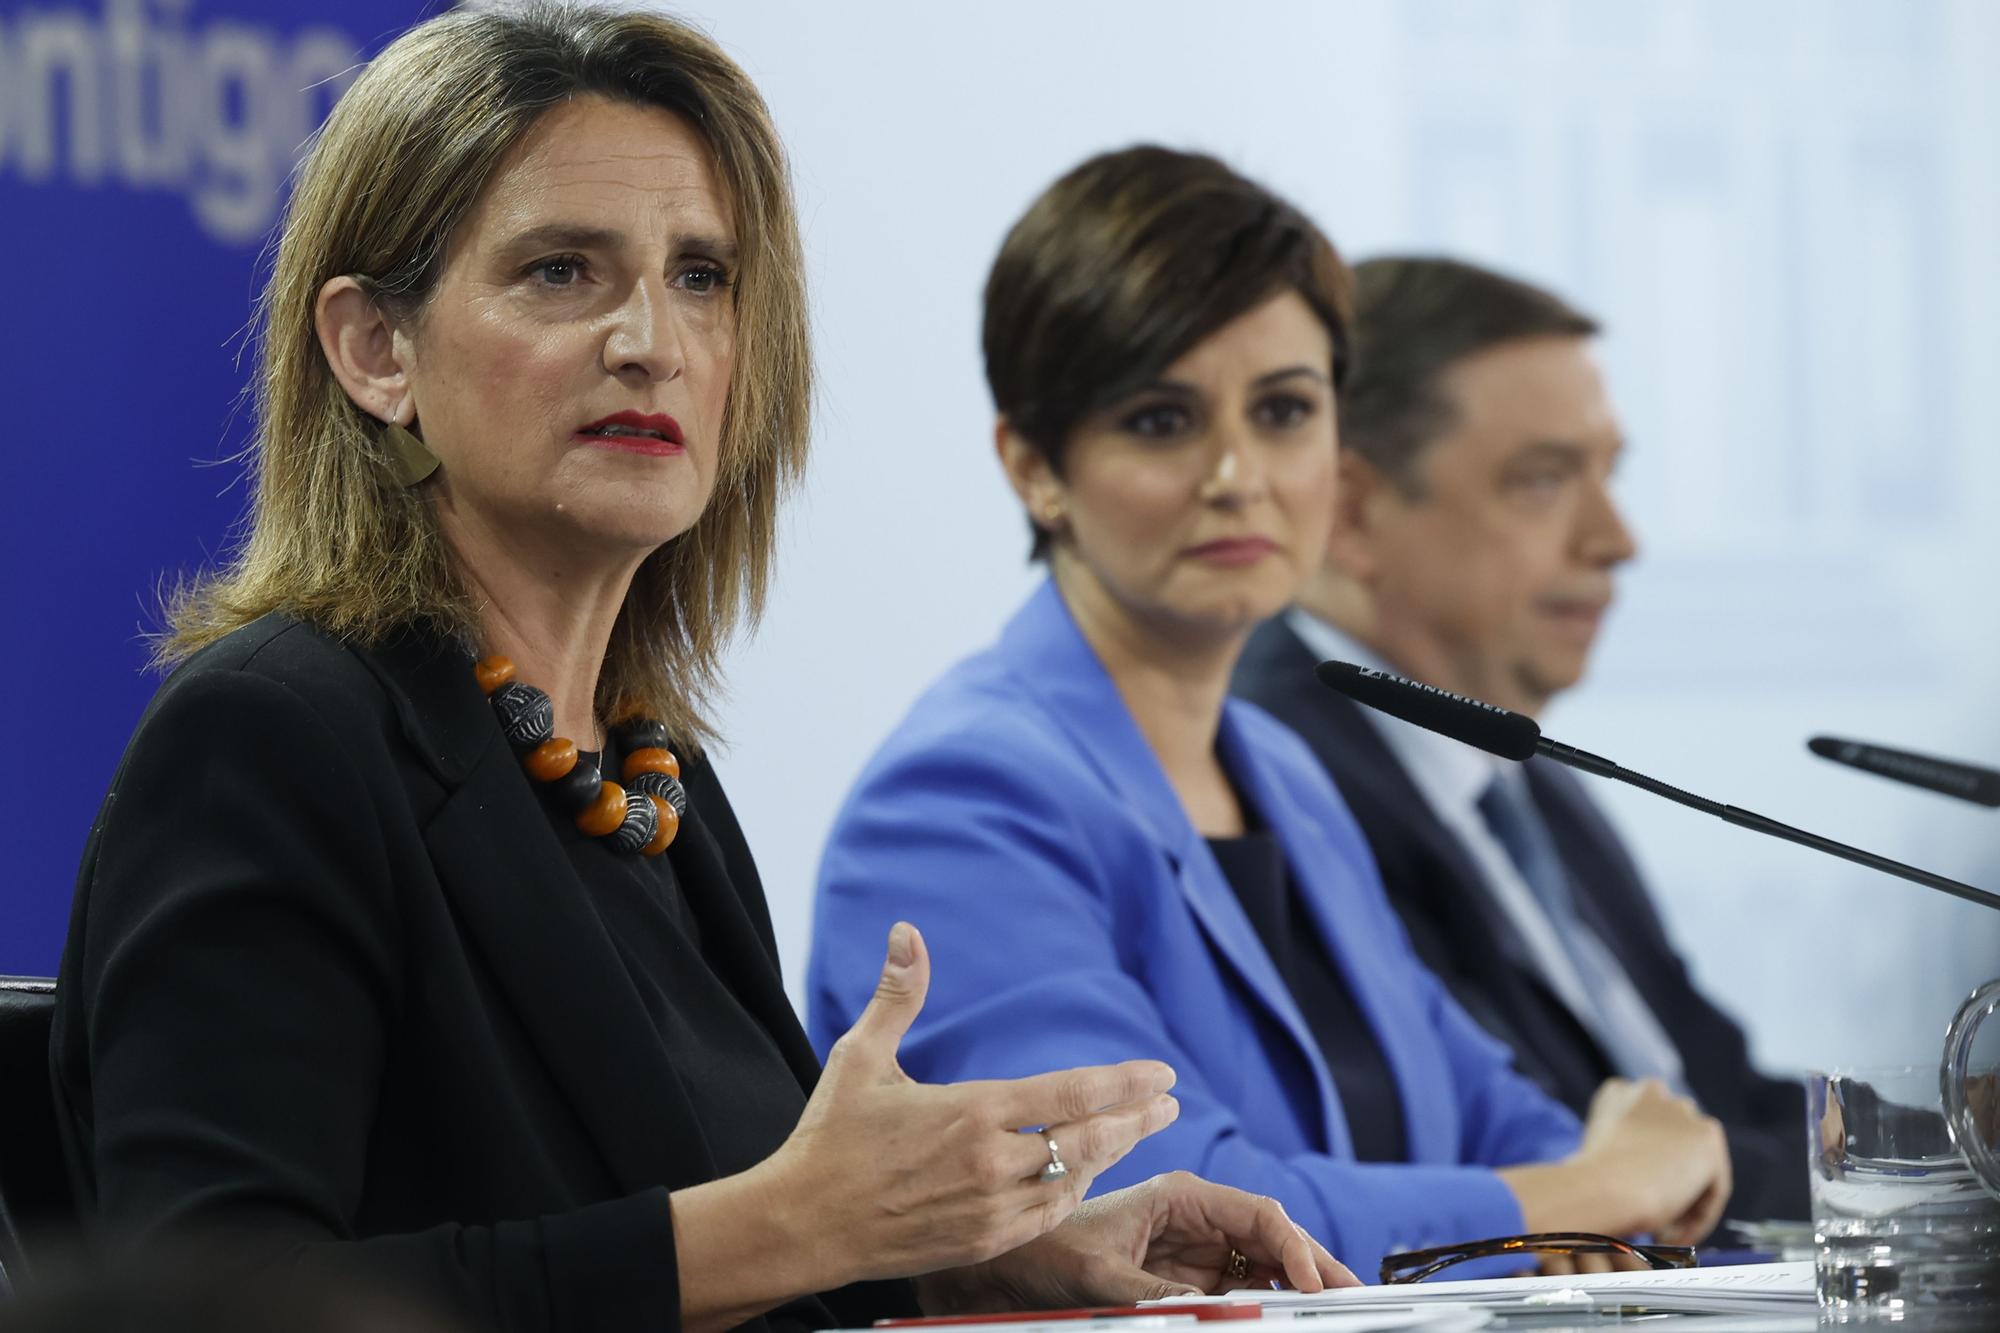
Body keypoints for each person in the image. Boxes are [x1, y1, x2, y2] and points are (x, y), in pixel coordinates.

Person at [47, 9, 1355, 1332]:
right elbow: (207, 1302)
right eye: (562, 271)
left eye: (703, 276)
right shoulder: (274, 740)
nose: (650, 341)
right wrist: (789, 1225)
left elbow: (716, 1252)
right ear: (376, 351)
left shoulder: (651, 774)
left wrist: (982, 1261)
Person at [809, 147, 1733, 1283]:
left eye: (1285, 410)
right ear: (1034, 466)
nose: (1237, 473)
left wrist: (1594, 1185)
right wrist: (1591, 1190)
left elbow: (1488, 1108)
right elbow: (1179, 1221)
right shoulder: (959, 802)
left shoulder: (1282, 771)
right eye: (1161, 420)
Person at [1230, 256, 1809, 1222]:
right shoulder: (1269, 773)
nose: (1616, 538)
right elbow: (1562, 1162)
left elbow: (1716, 1098)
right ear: (1353, 512)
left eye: (1609, 474)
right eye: (1542, 481)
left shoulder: (1521, 773)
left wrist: (1951, 1128)